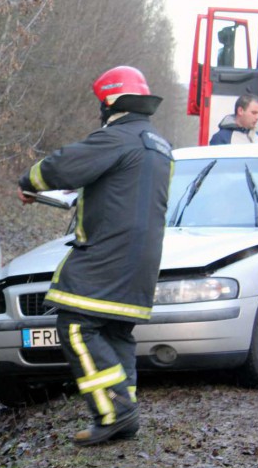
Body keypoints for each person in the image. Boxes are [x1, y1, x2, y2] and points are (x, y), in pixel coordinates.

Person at [17, 66, 173, 446]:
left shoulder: (117, 137)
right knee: (115, 329)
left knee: (76, 324)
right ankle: (125, 411)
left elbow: (61, 166)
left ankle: (114, 411)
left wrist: (28, 182)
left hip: (108, 254)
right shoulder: (159, 144)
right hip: (142, 260)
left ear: (110, 102)